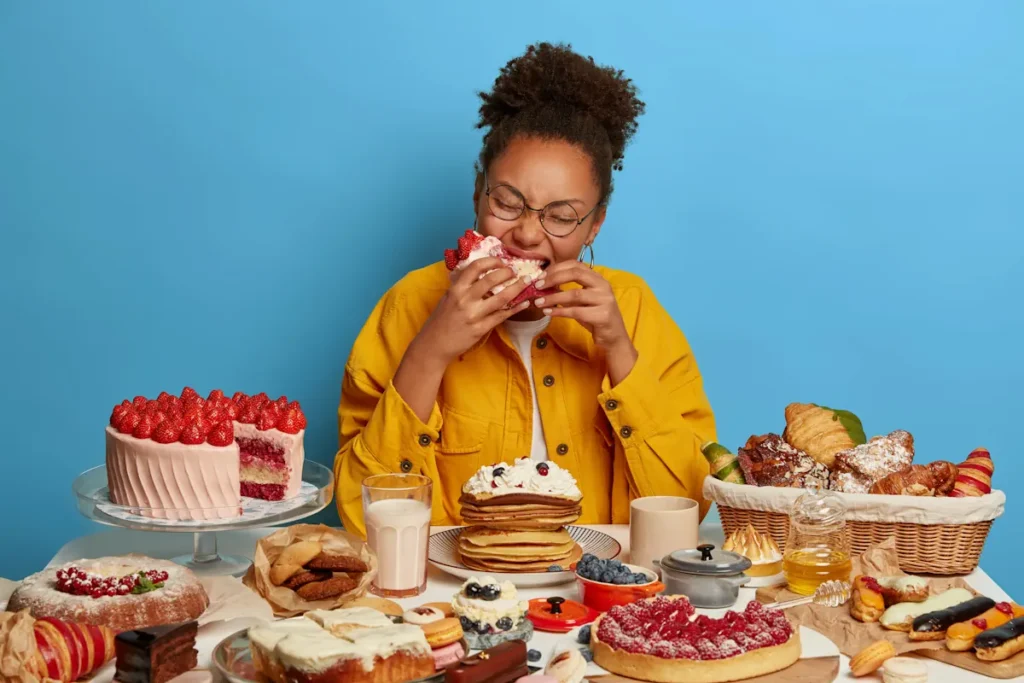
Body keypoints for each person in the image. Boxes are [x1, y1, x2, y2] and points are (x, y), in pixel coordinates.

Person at [334, 43, 715, 535]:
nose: (529, 234)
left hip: (597, 580)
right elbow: (362, 519)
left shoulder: (634, 309)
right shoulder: (409, 304)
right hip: (454, 581)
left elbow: (689, 507)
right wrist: (430, 351)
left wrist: (620, 353)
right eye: (508, 203)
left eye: (561, 216)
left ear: (594, 225)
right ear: (478, 193)